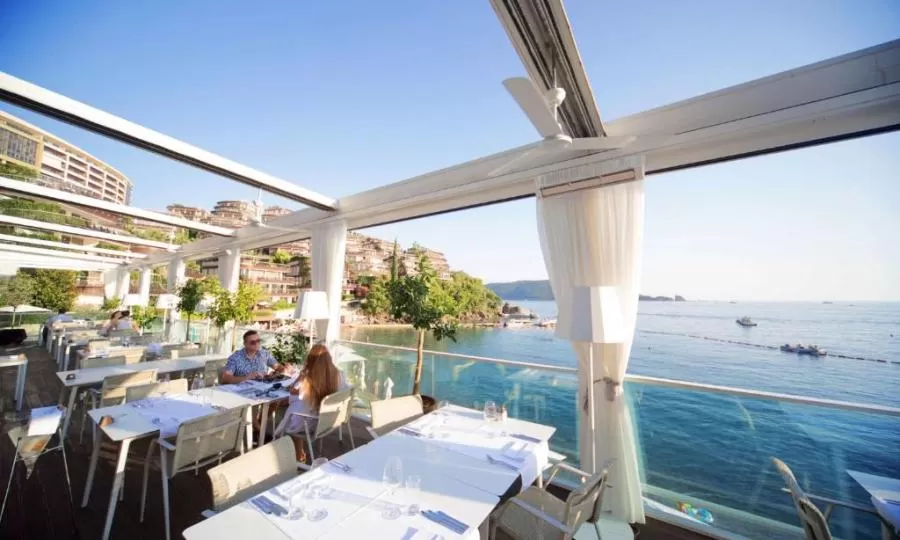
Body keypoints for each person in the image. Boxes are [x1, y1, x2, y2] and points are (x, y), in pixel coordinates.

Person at [281, 344, 349, 461]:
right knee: (298, 408)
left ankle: (299, 453)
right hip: (329, 420)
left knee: (294, 414)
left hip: (310, 423)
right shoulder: (339, 375)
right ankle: (299, 452)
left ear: (310, 360)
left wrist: (301, 376)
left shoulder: (308, 380)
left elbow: (292, 392)